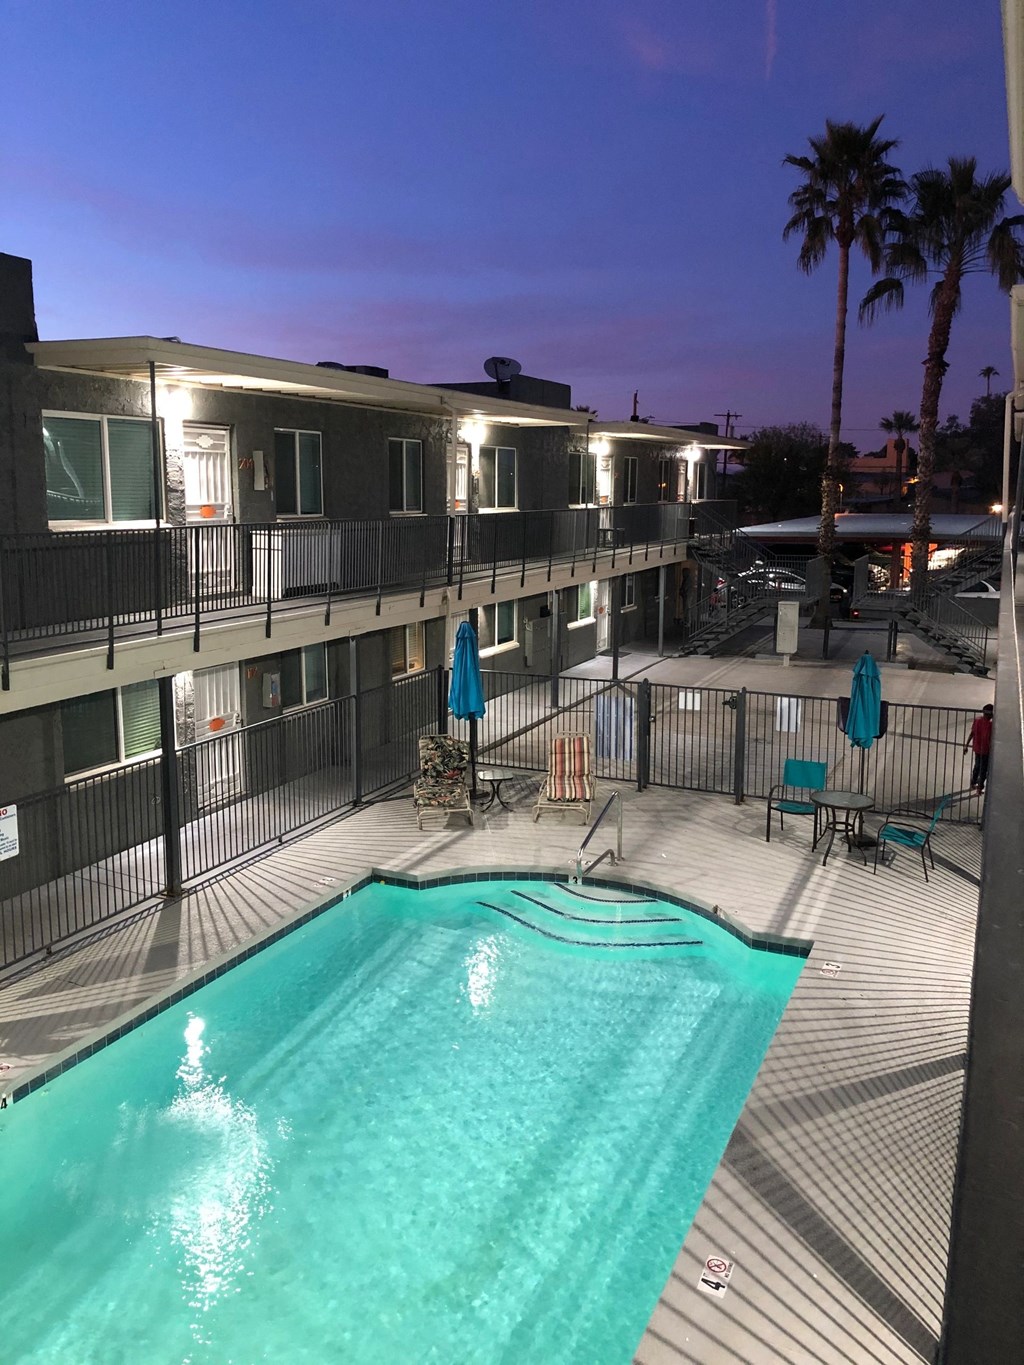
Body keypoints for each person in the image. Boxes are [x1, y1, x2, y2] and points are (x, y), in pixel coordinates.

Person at [963, 703, 994, 794]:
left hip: (977, 748)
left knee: (977, 766)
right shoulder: (991, 724)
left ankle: (973, 782)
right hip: (986, 750)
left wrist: (966, 745)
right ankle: (979, 788)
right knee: (983, 769)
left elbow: (972, 733)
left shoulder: (977, 720)